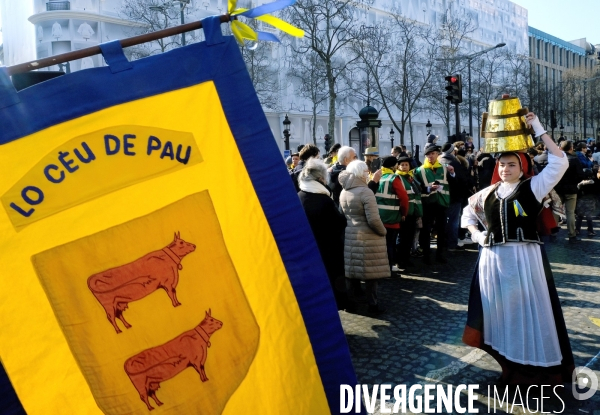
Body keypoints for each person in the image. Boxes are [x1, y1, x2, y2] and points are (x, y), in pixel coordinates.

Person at [461, 112, 574, 386]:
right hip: (493, 261)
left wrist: (537, 126)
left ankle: (533, 371)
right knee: (500, 316)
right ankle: (508, 367)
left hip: (523, 259)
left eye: (511, 165)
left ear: (522, 167)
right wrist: (477, 235)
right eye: (501, 165)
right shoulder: (489, 192)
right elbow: (467, 214)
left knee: (528, 313)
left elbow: (560, 161)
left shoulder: (533, 187)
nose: (504, 170)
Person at [297, 158, 350, 310]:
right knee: (331, 282)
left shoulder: (299, 195)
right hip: (327, 250)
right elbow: (339, 222)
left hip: (307, 250)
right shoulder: (323, 199)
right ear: (320, 178)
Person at [339, 160, 389, 314]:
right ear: (362, 173)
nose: (368, 173)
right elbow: (373, 219)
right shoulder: (365, 192)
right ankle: (372, 305)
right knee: (371, 274)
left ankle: (351, 304)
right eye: (366, 171)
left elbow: (342, 214)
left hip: (351, 235)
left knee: (352, 273)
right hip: (368, 236)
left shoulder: (344, 191)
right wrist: (383, 231)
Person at [413, 145, 456, 264]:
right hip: (427, 203)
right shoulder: (419, 170)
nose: (430, 156)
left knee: (442, 230)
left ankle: (440, 255)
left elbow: (452, 184)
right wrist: (428, 189)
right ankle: (426, 255)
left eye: (433, 154)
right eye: (428, 154)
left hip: (442, 203)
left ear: (438, 154)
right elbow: (417, 188)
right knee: (426, 230)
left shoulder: (444, 168)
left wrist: (452, 174)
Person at [375, 156, 409, 273]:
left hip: (378, 217)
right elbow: (404, 198)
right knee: (390, 244)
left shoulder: (377, 177)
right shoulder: (394, 178)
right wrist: (404, 213)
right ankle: (388, 268)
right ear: (394, 166)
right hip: (392, 217)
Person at [555, 141, 585, 243]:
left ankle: (553, 232)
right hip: (571, 189)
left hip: (558, 189)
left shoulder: (556, 160)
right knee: (570, 213)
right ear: (571, 148)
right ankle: (572, 234)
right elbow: (580, 175)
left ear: (560, 148)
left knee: (555, 211)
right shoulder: (575, 160)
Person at [395, 156, 422, 269]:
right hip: (404, 214)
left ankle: (406, 259)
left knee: (409, 238)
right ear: (398, 166)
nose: (404, 167)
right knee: (403, 239)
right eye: (402, 165)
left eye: (406, 165)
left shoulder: (411, 177)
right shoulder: (399, 178)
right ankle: (401, 261)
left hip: (413, 212)